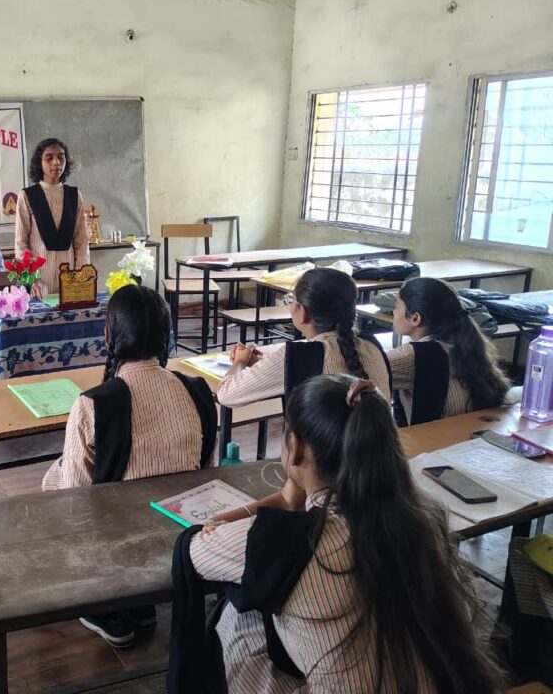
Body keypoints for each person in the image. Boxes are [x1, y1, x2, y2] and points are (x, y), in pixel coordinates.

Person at [170, 374, 503, 694]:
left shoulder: (294, 540)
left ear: (295, 447)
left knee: (239, 614)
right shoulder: (422, 520)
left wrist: (284, 500)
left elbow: (197, 550)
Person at [42, 285, 218, 648]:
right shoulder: (199, 391)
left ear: (108, 335)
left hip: (119, 550)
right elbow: (206, 473)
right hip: (183, 543)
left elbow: (72, 501)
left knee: (52, 485)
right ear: (167, 335)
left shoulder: (92, 404)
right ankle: (141, 603)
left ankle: (107, 606)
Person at [216, 267, 391, 408]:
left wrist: (239, 362)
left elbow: (226, 395)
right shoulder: (372, 345)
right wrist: (266, 364)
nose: (290, 306)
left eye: (292, 300)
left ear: (303, 313)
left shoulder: (297, 355)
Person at [388, 277, 510, 424]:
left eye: (396, 307)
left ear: (415, 318)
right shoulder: (463, 343)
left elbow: (367, 368)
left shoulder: (414, 355)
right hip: (470, 432)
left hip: (434, 436)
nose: (393, 312)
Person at [14, 138, 90, 298]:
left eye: (61, 157)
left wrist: (80, 275)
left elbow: (81, 241)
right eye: (49, 158)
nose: (56, 162)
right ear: (39, 162)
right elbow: (21, 243)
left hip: (70, 279)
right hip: (39, 283)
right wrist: (30, 279)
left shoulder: (74, 195)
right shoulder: (27, 196)